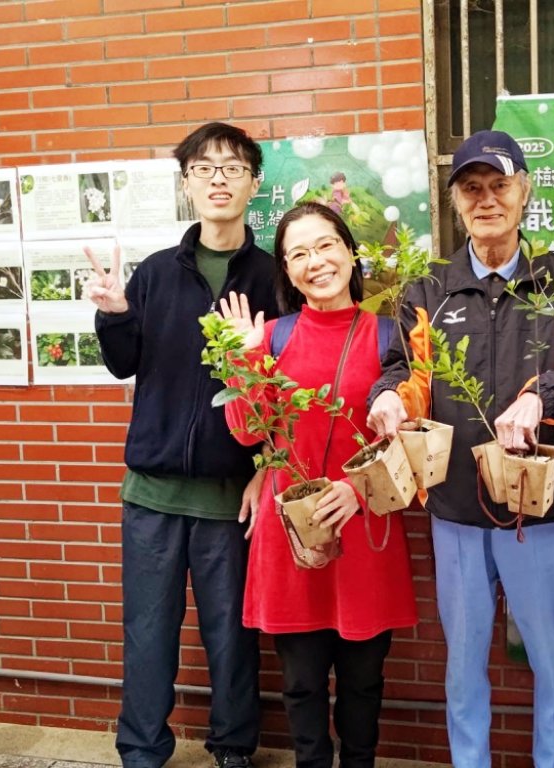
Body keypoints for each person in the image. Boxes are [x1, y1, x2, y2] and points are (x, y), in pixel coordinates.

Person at [367, 130, 554, 768]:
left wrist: (544, 396)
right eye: (472, 188)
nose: (486, 200)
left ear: (524, 191)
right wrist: (391, 398)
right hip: (453, 509)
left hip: (542, 510)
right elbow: (405, 369)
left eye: (499, 185)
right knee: (463, 662)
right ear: (456, 203)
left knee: (550, 661)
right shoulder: (429, 289)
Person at [84, 122, 277, 768]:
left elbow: (288, 385)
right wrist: (114, 314)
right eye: (203, 167)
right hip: (153, 495)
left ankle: (233, 746)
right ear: (187, 184)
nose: (218, 178)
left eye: (232, 167)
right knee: (147, 635)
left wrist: (268, 467)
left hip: (233, 497)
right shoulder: (158, 274)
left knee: (232, 637)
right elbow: (124, 363)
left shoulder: (275, 279)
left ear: (254, 182)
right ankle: (142, 749)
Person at [218, 201, 417, 768]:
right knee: (302, 684)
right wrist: (245, 359)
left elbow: (408, 442)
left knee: (363, 683)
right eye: (298, 253)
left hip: (366, 527)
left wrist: (356, 492)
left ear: (351, 253)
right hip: (294, 532)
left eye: (325, 245)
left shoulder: (389, 337)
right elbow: (242, 431)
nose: (315, 261)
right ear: (286, 270)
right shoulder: (273, 336)